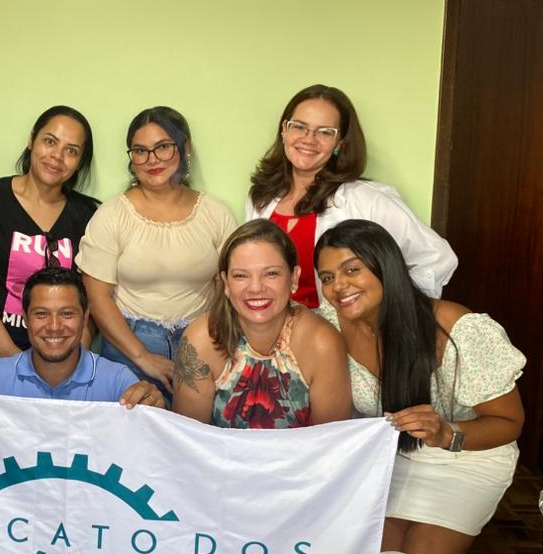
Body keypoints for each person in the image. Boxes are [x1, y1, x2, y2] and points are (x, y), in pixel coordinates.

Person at [315, 219, 524, 554]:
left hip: (469, 455)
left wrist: (448, 432)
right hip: (395, 459)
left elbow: (509, 422)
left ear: (385, 267)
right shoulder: (327, 326)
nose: (339, 286)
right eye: (327, 276)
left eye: (352, 269)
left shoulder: (456, 328)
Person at [76, 106, 235, 402]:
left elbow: (229, 287)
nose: (152, 159)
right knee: (134, 428)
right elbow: (97, 298)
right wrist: (143, 356)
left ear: (185, 148)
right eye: (140, 150)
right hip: (129, 346)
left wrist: (208, 344)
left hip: (202, 341)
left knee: (194, 428)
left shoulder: (216, 213)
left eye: (163, 147)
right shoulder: (111, 215)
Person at [245, 84, 457, 306]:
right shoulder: (261, 196)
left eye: (325, 132)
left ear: (340, 143)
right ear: (284, 130)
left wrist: (397, 309)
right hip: (270, 324)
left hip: (333, 327)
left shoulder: (367, 200)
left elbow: (437, 257)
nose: (309, 139)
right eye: (299, 127)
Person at [172, 219, 352, 428]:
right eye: (241, 276)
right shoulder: (201, 339)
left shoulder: (322, 343)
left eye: (271, 274)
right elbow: (187, 438)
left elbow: (332, 441)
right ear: (226, 282)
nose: (256, 288)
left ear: (294, 278)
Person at [0, 105, 100, 362]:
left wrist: (74, 359)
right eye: (50, 141)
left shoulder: (89, 214)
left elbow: (91, 297)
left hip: (62, 363)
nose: (57, 156)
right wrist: (9, 355)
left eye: (71, 151)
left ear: (80, 162)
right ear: (32, 140)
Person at [0, 266, 163, 407]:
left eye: (67, 314)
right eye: (41, 314)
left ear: (85, 318)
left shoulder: (117, 382)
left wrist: (153, 407)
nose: (54, 327)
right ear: (26, 319)